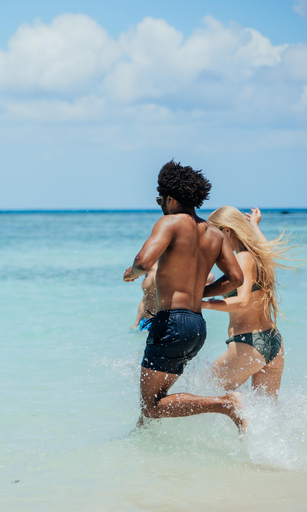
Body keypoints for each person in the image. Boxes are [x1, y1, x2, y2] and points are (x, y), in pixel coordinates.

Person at [124, 161, 246, 431]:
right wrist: (201, 293)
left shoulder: (170, 223)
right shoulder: (215, 234)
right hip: (197, 325)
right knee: (154, 402)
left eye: (161, 200)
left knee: (151, 406)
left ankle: (225, 404)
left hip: (170, 323)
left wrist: (132, 272)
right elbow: (236, 279)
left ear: (171, 198)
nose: (161, 206)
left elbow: (144, 262)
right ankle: (140, 442)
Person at [203, 207, 300, 396]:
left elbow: (242, 302)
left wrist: (203, 304)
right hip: (274, 343)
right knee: (267, 413)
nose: (212, 241)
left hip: (249, 343)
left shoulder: (242, 258)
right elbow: (265, 246)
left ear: (227, 231)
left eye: (214, 233)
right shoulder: (260, 255)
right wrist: (254, 225)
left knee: (205, 392)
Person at [133, 261, 215, 331]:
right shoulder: (158, 272)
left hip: (157, 320)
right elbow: (145, 300)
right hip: (148, 321)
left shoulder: (157, 273)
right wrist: (136, 323)